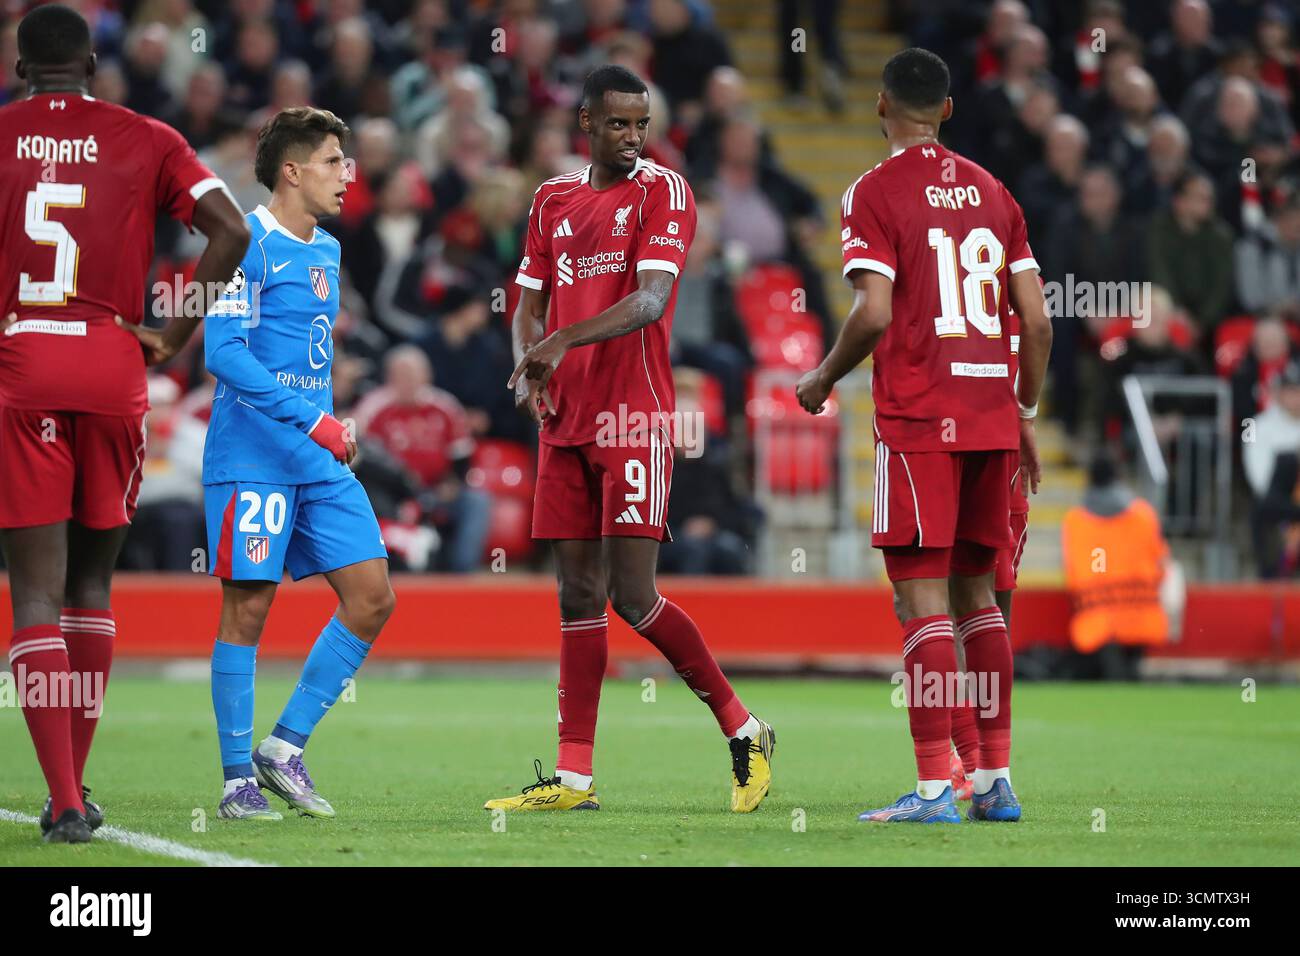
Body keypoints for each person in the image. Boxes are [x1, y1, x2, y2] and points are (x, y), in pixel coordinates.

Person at [491, 65, 773, 814]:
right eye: (617, 123)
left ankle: (744, 728)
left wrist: (560, 343)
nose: (632, 137)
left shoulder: (663, 190)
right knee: (576, 595)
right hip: (565, 422)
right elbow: (527, 305)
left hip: (633, 417)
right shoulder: (552, 199)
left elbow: (650, 301)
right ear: (585, 122)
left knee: (633, 596)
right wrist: (530, 366)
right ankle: (574, 780)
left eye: (640, 123)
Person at [0, 4, 249, 844]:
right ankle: (79, 782)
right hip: (113, 361)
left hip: (23, 363)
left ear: (20, 66)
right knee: (91, 586)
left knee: (33, 588)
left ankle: (65, 798)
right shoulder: (148, 135)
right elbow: (231, 229)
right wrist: (175, 335)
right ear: (95, 65)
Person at [796, 48, 1052, 824]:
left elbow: (873, 312)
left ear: (881, 106)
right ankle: (996, 782)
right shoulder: (993, 191)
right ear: (947, 110)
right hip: (991, 418)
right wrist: (1026, 413)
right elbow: (1036, 322)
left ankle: (936, 788)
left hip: (918, 417)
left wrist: (821, 378)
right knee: (982, 602)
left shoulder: (872, 193)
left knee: (921, 602)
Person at [201, 107, 395, 822]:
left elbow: (306, 357)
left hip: (314, 454)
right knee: (249, 608)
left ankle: (282, 749)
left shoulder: (330, 251)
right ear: (292, 170)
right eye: (334, 162)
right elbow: (223, 353)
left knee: (373, 596)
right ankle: (232, 783)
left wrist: (330, 416)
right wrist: (312, 419)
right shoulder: (243, 242)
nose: (348, 175)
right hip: (253, 455)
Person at [1061, 457, 1170, 679]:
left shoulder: (1075, 521)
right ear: (1118, 478)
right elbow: (1162, 565)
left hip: (1096, 622)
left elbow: (1072, 575)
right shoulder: (1143, 515)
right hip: (1142, 615)